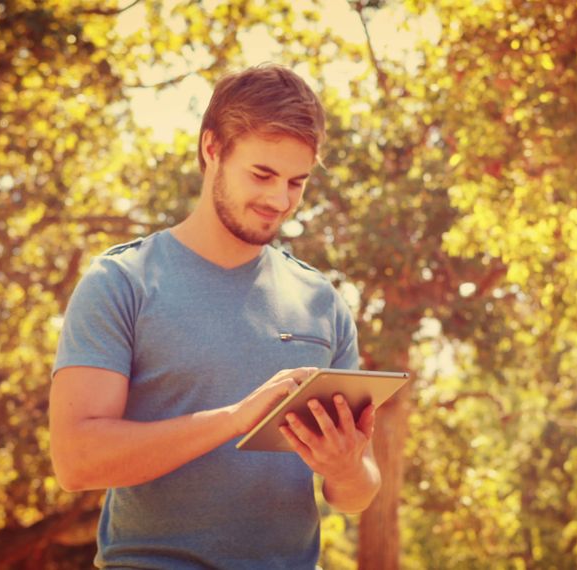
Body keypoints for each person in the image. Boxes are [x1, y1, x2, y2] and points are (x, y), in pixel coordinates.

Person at [48, 64, 380, 569]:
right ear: (211, 149)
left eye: (296, 182)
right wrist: (237, 418)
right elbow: (76, 461)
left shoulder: (321, 300)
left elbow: (356, 492)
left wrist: (347, 466)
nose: (279, 200)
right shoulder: (123, 281)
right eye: (262, 174)